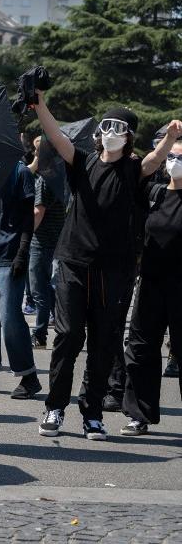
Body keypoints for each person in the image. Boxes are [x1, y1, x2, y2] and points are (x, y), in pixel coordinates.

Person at [35, 94, 172, 440]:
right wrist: (40, 106)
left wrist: (171, 136)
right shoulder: (81, 162)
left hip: (114, 269)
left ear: (129, 137)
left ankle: (92, 412)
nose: (111, 131)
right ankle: (55, 406)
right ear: (97, 132)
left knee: (103, 342)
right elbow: (56, 137)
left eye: (120, 128)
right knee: (68, 335)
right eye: (107, 125)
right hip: (73, 262)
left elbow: (155, 161)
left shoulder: (131, 169)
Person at [121, 121, 182, 435]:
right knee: (141, 347)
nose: (175, 163)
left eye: (181, 158)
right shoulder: (153, 192)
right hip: (152, 281)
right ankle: (139, 415)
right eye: (172, 157)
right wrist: (168, 139)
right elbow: (142, 169)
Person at [0, 159, 43, 399]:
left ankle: (28, 377)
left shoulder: (21, 172)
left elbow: (29, 217)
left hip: (10, 255)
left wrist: (22, 252)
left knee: (9, 318)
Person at [29, 146, 66, 348]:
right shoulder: (62, 177)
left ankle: (39, 334)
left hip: (41, 242)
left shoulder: (44, 180)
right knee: (52, 290)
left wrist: (25, 238)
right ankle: (59, 327)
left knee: (39, 291)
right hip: (57, 241)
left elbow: (38, 212)